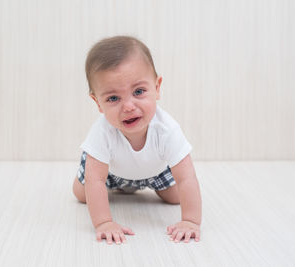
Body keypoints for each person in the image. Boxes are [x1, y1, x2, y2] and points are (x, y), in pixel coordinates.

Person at [73, 36, 202, 245]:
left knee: (175, 197)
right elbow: (96, 180)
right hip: (110, 173)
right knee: (82, 193)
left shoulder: (167, 130)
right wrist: (104, 223)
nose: (129, 106)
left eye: (139, 92)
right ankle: (107, 188)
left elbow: (187, 177)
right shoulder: (102, 132)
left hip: (156, 171)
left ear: (157, 87)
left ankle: (155, 190)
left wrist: (190, 221)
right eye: (113, 98)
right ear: (97, 102)